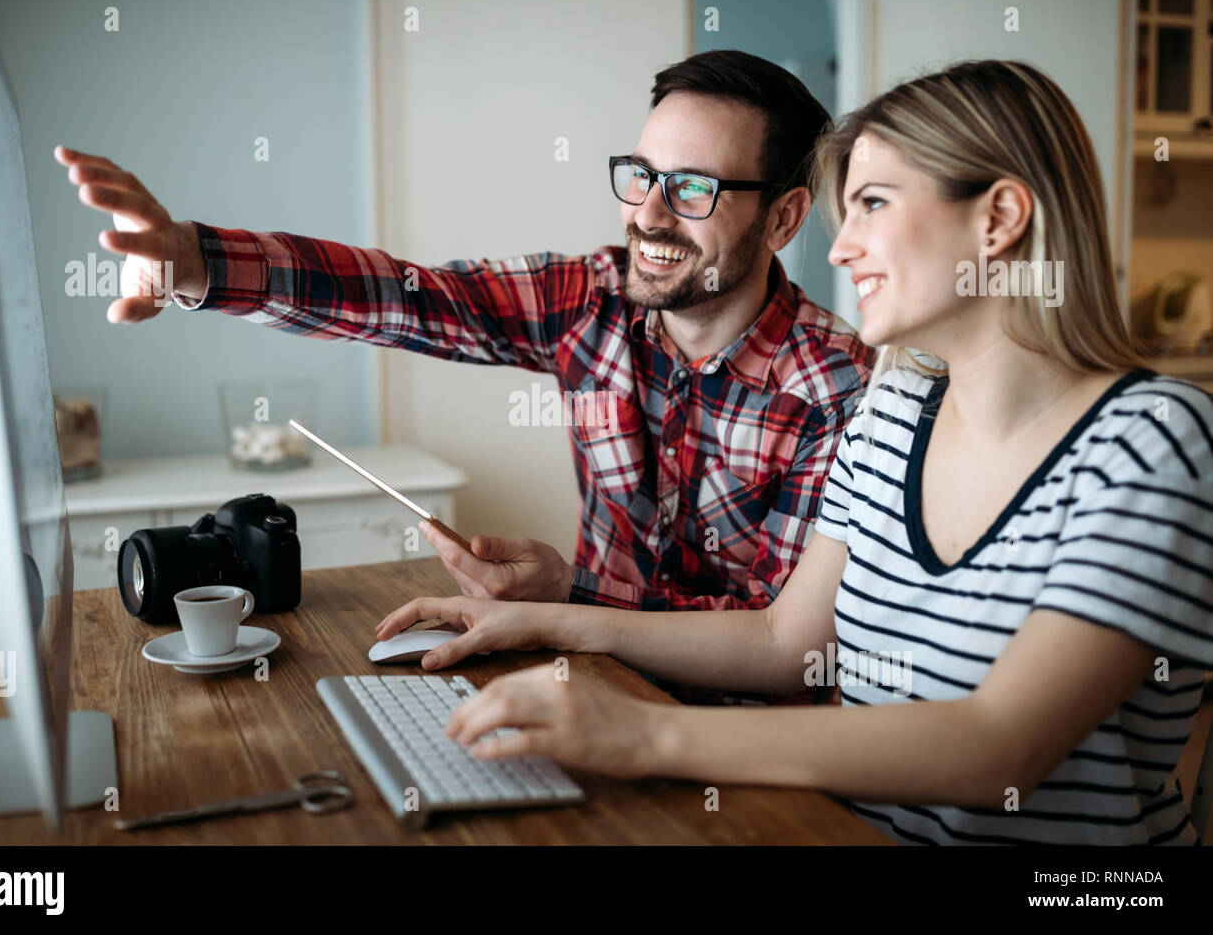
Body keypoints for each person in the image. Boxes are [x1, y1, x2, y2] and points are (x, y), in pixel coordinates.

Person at [375, 59, 1213, 844]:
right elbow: (783, 640)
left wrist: (646, 733)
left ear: (997, 219)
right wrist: (543, 618)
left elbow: (1002, 748)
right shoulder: (896, 408)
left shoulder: (1151, 440)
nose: (842, 249)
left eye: (875, 205)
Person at [57, 50, 873, 703]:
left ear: (784, 217)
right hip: (581, 689)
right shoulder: (588, 300)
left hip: (744, 754)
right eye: (641, 176)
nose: (649, 216)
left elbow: (780, 644)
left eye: (692, 188)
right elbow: (408, 298)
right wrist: (199, 262)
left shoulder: (840, 389)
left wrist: (573, 599)